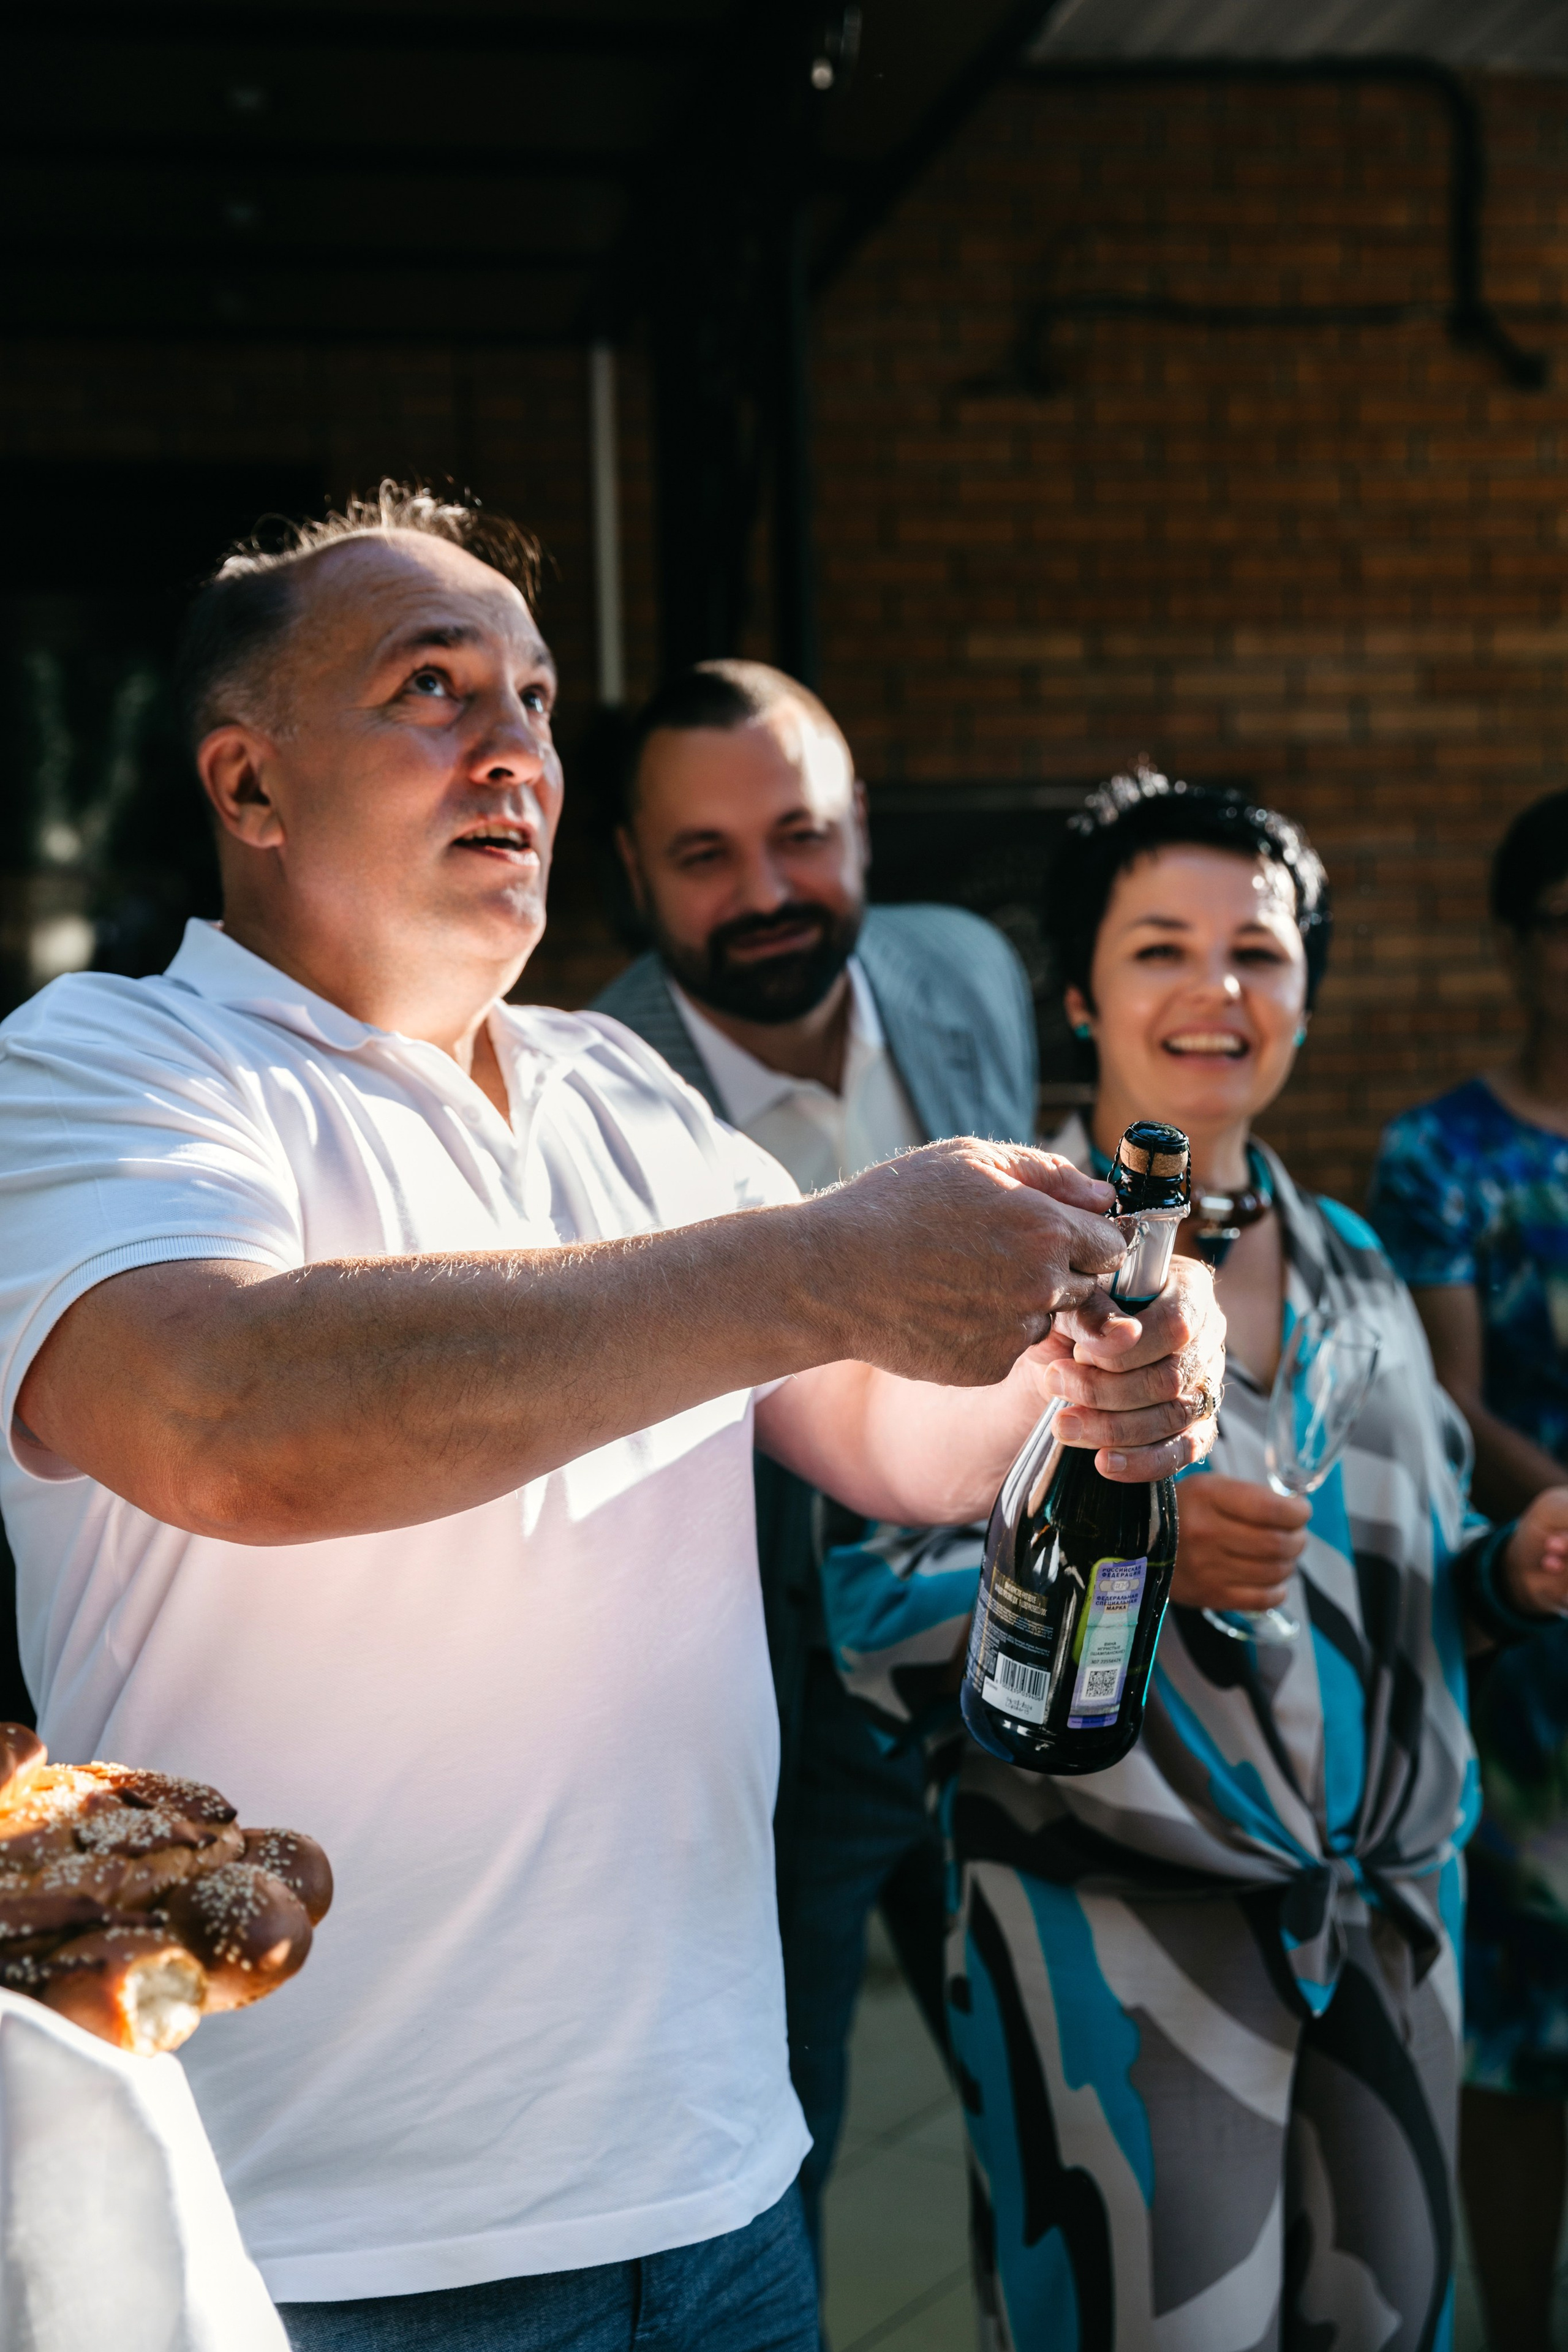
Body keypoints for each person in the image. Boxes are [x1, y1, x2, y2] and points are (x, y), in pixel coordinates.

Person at [0, 489, 1224, 2352]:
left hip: (712, 2183)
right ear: (247, 788)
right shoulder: (102, 1063)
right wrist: (814, 1262)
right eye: (433, 688)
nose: (518, 749)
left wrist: (1084, 1360)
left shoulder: (614, 1085)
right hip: (310, 2238)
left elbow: (886, 1431)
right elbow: (224, 1416)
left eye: (540, 698)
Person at [816, 767, 1568, 2351]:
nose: (1219, 990)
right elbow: (866, 1611)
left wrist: (1511, 1575)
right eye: (1162, 947)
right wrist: (1141, 1583)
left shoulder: (1360, 1262)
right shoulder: (997, 1251)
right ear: (1079, 994)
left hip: (1388, 1945)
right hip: (1115, 1952)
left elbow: (1411, 1590)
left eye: (1263, 952)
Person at [594, 658, 1037, 2258]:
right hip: (777, 1707)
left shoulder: (965, 969)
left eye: (802, 834)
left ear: (862, 827)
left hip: (1009, 1654)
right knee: (783, 2135)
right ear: (633, 871)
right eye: (705, 857)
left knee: (1053, 2112)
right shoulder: (592, 1089)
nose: (768, 893)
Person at [1370, 788, 1568, 2352]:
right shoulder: (1435, 1152)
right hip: (1530, 1619)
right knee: (1520, 2033)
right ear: (1511, 945)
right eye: (1560, 922)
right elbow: (1444, 1397)